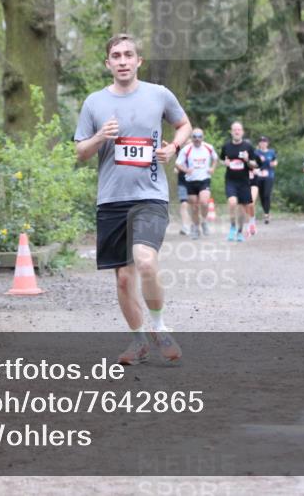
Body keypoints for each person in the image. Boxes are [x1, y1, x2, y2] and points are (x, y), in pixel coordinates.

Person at [75, 33, 192, 365]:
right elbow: (81, 152)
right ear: (108, 63)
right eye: (116, 56)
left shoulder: (159, 95)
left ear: (139, 61)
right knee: (124, 278)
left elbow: (184, 125)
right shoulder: (94, 103)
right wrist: (100, 136)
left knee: (145, 261)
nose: (123, 61)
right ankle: (139, 341)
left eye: (128, 55)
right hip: (111, 200)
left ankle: (160, 327)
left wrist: (173, 147)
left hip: (150, 195)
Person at [220, 121, 260, 242]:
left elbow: (255, 164)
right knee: (232, 202)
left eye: (239, 130)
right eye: (234, 130)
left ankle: (240, 231)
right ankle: (233, 226)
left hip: (244, 182)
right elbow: (222, 160)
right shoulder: (226, 146)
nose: (237, 132)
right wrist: (225, 163)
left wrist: (247, 160)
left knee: (243, 207)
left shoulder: (248, 147)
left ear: (242, 132)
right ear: (231, 132)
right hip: (231, 180)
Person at [176, 128, 217, 240]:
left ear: (203, 137)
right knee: (194, 207)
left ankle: (204, 221)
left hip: (204, 179)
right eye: (195, 137)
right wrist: (186, 170)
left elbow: (215, 158)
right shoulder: (186, 149)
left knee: (204, 202)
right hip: (191, 181)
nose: (197, 139)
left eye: (199, 137)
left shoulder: (209, 147)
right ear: (192, 138)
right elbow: (178, 163)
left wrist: (212, 168)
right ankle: (195, 227)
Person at [252, 136, 278, 225]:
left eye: (264, 142)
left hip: (269, 175)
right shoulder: (256, 152)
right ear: (259, 143)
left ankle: (266, 214)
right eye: (261, 142)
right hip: (258, 176)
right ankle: (265, 212)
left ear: (267, 143)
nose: (263, 143)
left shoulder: (271, 152)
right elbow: (252, 163)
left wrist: (274, 164)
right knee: (261, 196)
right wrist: (256, 166)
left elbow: (275, 161)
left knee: (267, 194)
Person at [176, 167, 192, 236]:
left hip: (194, 182)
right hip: (182, 183)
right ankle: (185, 226)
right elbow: (176, 167)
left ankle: (195, 225)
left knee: (194, 205)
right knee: (184, 204)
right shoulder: (178, 159)